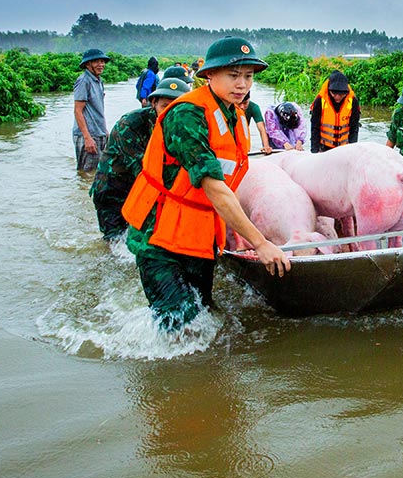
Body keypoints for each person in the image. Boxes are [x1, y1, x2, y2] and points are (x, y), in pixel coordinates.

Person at [122, 36, 290, 331]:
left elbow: (232, 182)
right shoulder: (187, 115)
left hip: (198, 234)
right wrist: (260, 242)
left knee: (204, 313)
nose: (242, 84)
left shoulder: (236, 116)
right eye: (233, 75)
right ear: (209, 75)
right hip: (158, 234)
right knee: (178, 323)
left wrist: (238, 234)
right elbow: (214, 186)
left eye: (248, 77)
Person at [90, 77, 186, 240]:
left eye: (177, 107)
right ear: (154, 103)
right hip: (113, 189)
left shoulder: (184, 126)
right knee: (114, 241)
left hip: (140, 190)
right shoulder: (130, 124)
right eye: (165, 106)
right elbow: (146, 171)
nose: (170, 112)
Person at [73, 48, 111, 172]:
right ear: (88, 64)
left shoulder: (99, 81)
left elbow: (98, 108)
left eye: (102, 61)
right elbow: (78, 111)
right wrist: (87, 138)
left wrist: (105, 130)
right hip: (88, 135)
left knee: (97, 172)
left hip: (99, 133)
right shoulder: (84, 81)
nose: (101, 65)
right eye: (96, 62)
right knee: (87, 173)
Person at [310, 69, 360, 153]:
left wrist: (352, 150)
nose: (337, 97)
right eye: (334, 93)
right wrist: (314, 152)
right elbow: (315, 127)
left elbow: (354, 128)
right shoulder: (320, 101)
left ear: (346, 92)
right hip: (324, 148)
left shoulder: (353, 101)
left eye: (341, 94)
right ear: (329, 90)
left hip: (344, 148)